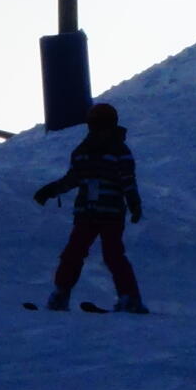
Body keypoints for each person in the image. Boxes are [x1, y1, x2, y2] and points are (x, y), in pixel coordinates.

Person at [33, 100, 146, 312]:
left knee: (112, 254)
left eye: (102, 125)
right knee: (73, 253)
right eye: (96, 125)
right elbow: (74, 178)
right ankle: (61, 294)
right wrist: (51, 190)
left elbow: (127, 180)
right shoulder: (82, 151)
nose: (99, 130)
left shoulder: (119, 151)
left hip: (111, 213)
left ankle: (130, 297)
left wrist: (134, 204)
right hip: (86, 213)